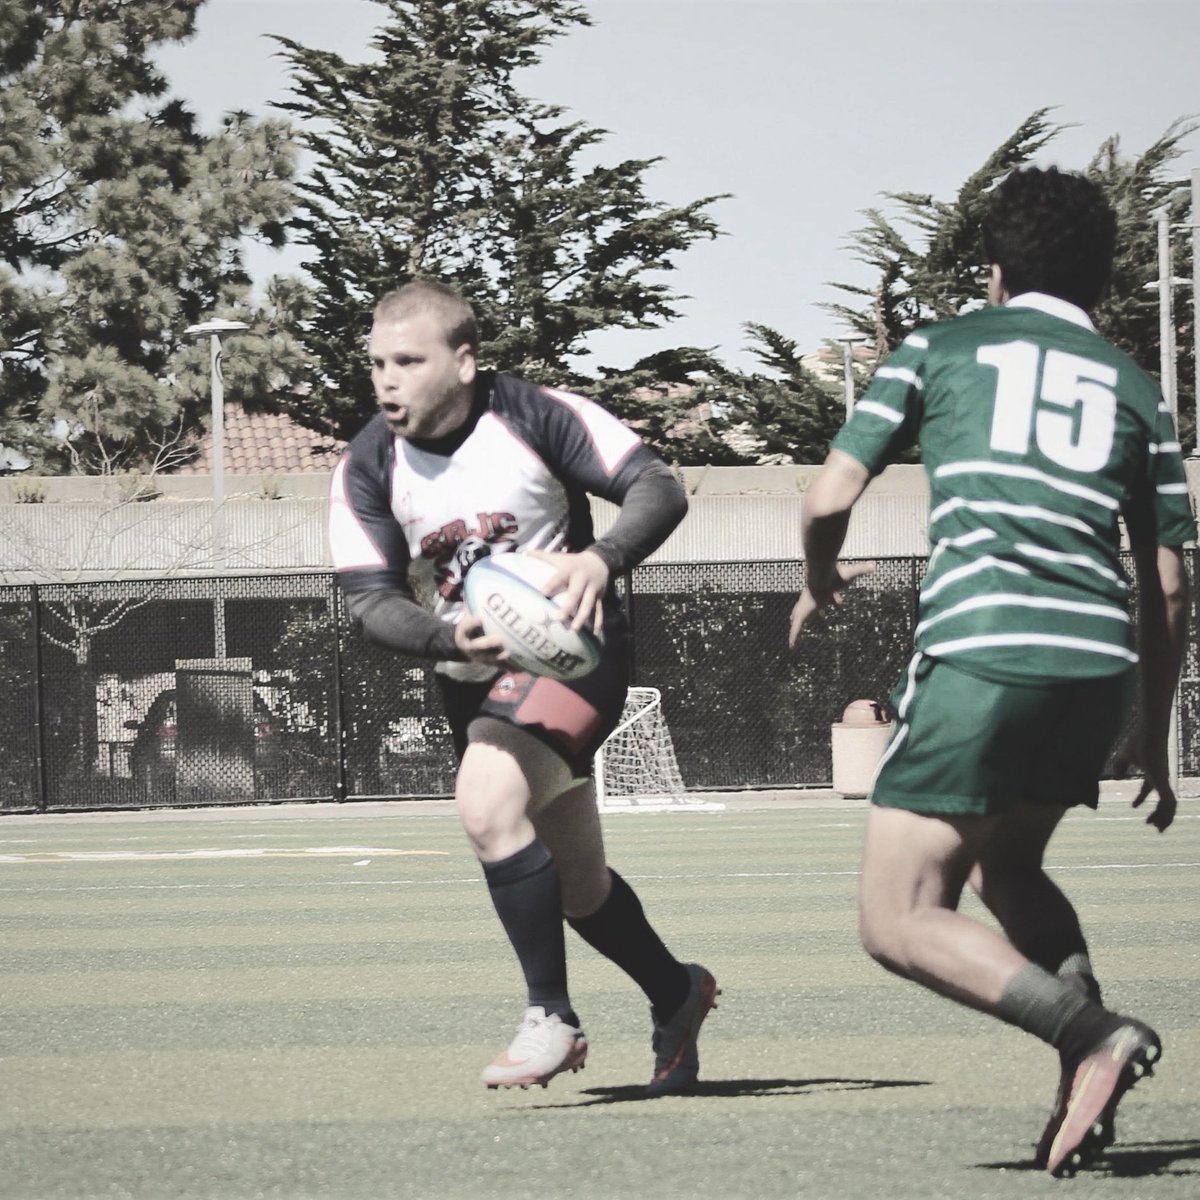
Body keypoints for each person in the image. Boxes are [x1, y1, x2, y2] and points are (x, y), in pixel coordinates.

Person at [789, 166, 1193, 1176]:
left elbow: (831, 491)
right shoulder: (1134, 383)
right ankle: (1084, 1085)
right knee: (1008, 865)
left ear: (997, 270)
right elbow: (1172, 579)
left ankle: (1090, 1036)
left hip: (985, 654)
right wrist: (1153, 728)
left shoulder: (942, 345)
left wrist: (820, 574)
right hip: (1093, 664)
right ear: (1099, 279)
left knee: (897, 921)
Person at [329, 279, 718, 1095]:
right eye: (376, 363)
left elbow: (658, 485)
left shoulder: (536, 414)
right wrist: (443, 635)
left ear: (464, 361)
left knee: (485, 803)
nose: (387, 379)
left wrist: (599, 559)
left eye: (409, 359)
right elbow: (368, 600)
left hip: (575, 659)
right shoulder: (367, 461)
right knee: (578, 888)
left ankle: (552, 1017)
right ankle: (676, 991)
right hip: (471, 683)